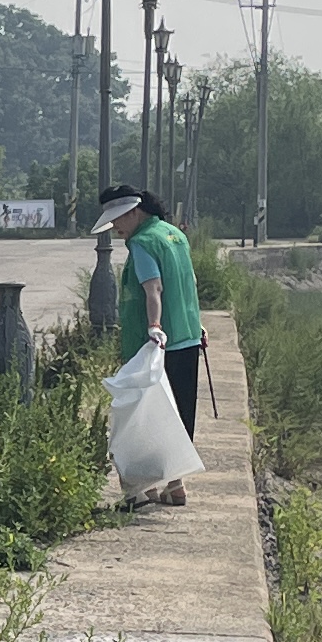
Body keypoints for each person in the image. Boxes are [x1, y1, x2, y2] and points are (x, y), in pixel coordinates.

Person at [101, 186, 204, 505]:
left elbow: (154, 287)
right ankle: (176, 485)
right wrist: (197, 323)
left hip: (155, 343)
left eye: (118, 219)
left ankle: (138, 489)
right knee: (179, 410)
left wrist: (155, 326)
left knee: (144, 415)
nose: (115, 228)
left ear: (134, 212)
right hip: (187, 335)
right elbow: (188, 282)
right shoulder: (174, 235)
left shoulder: (142, 242)